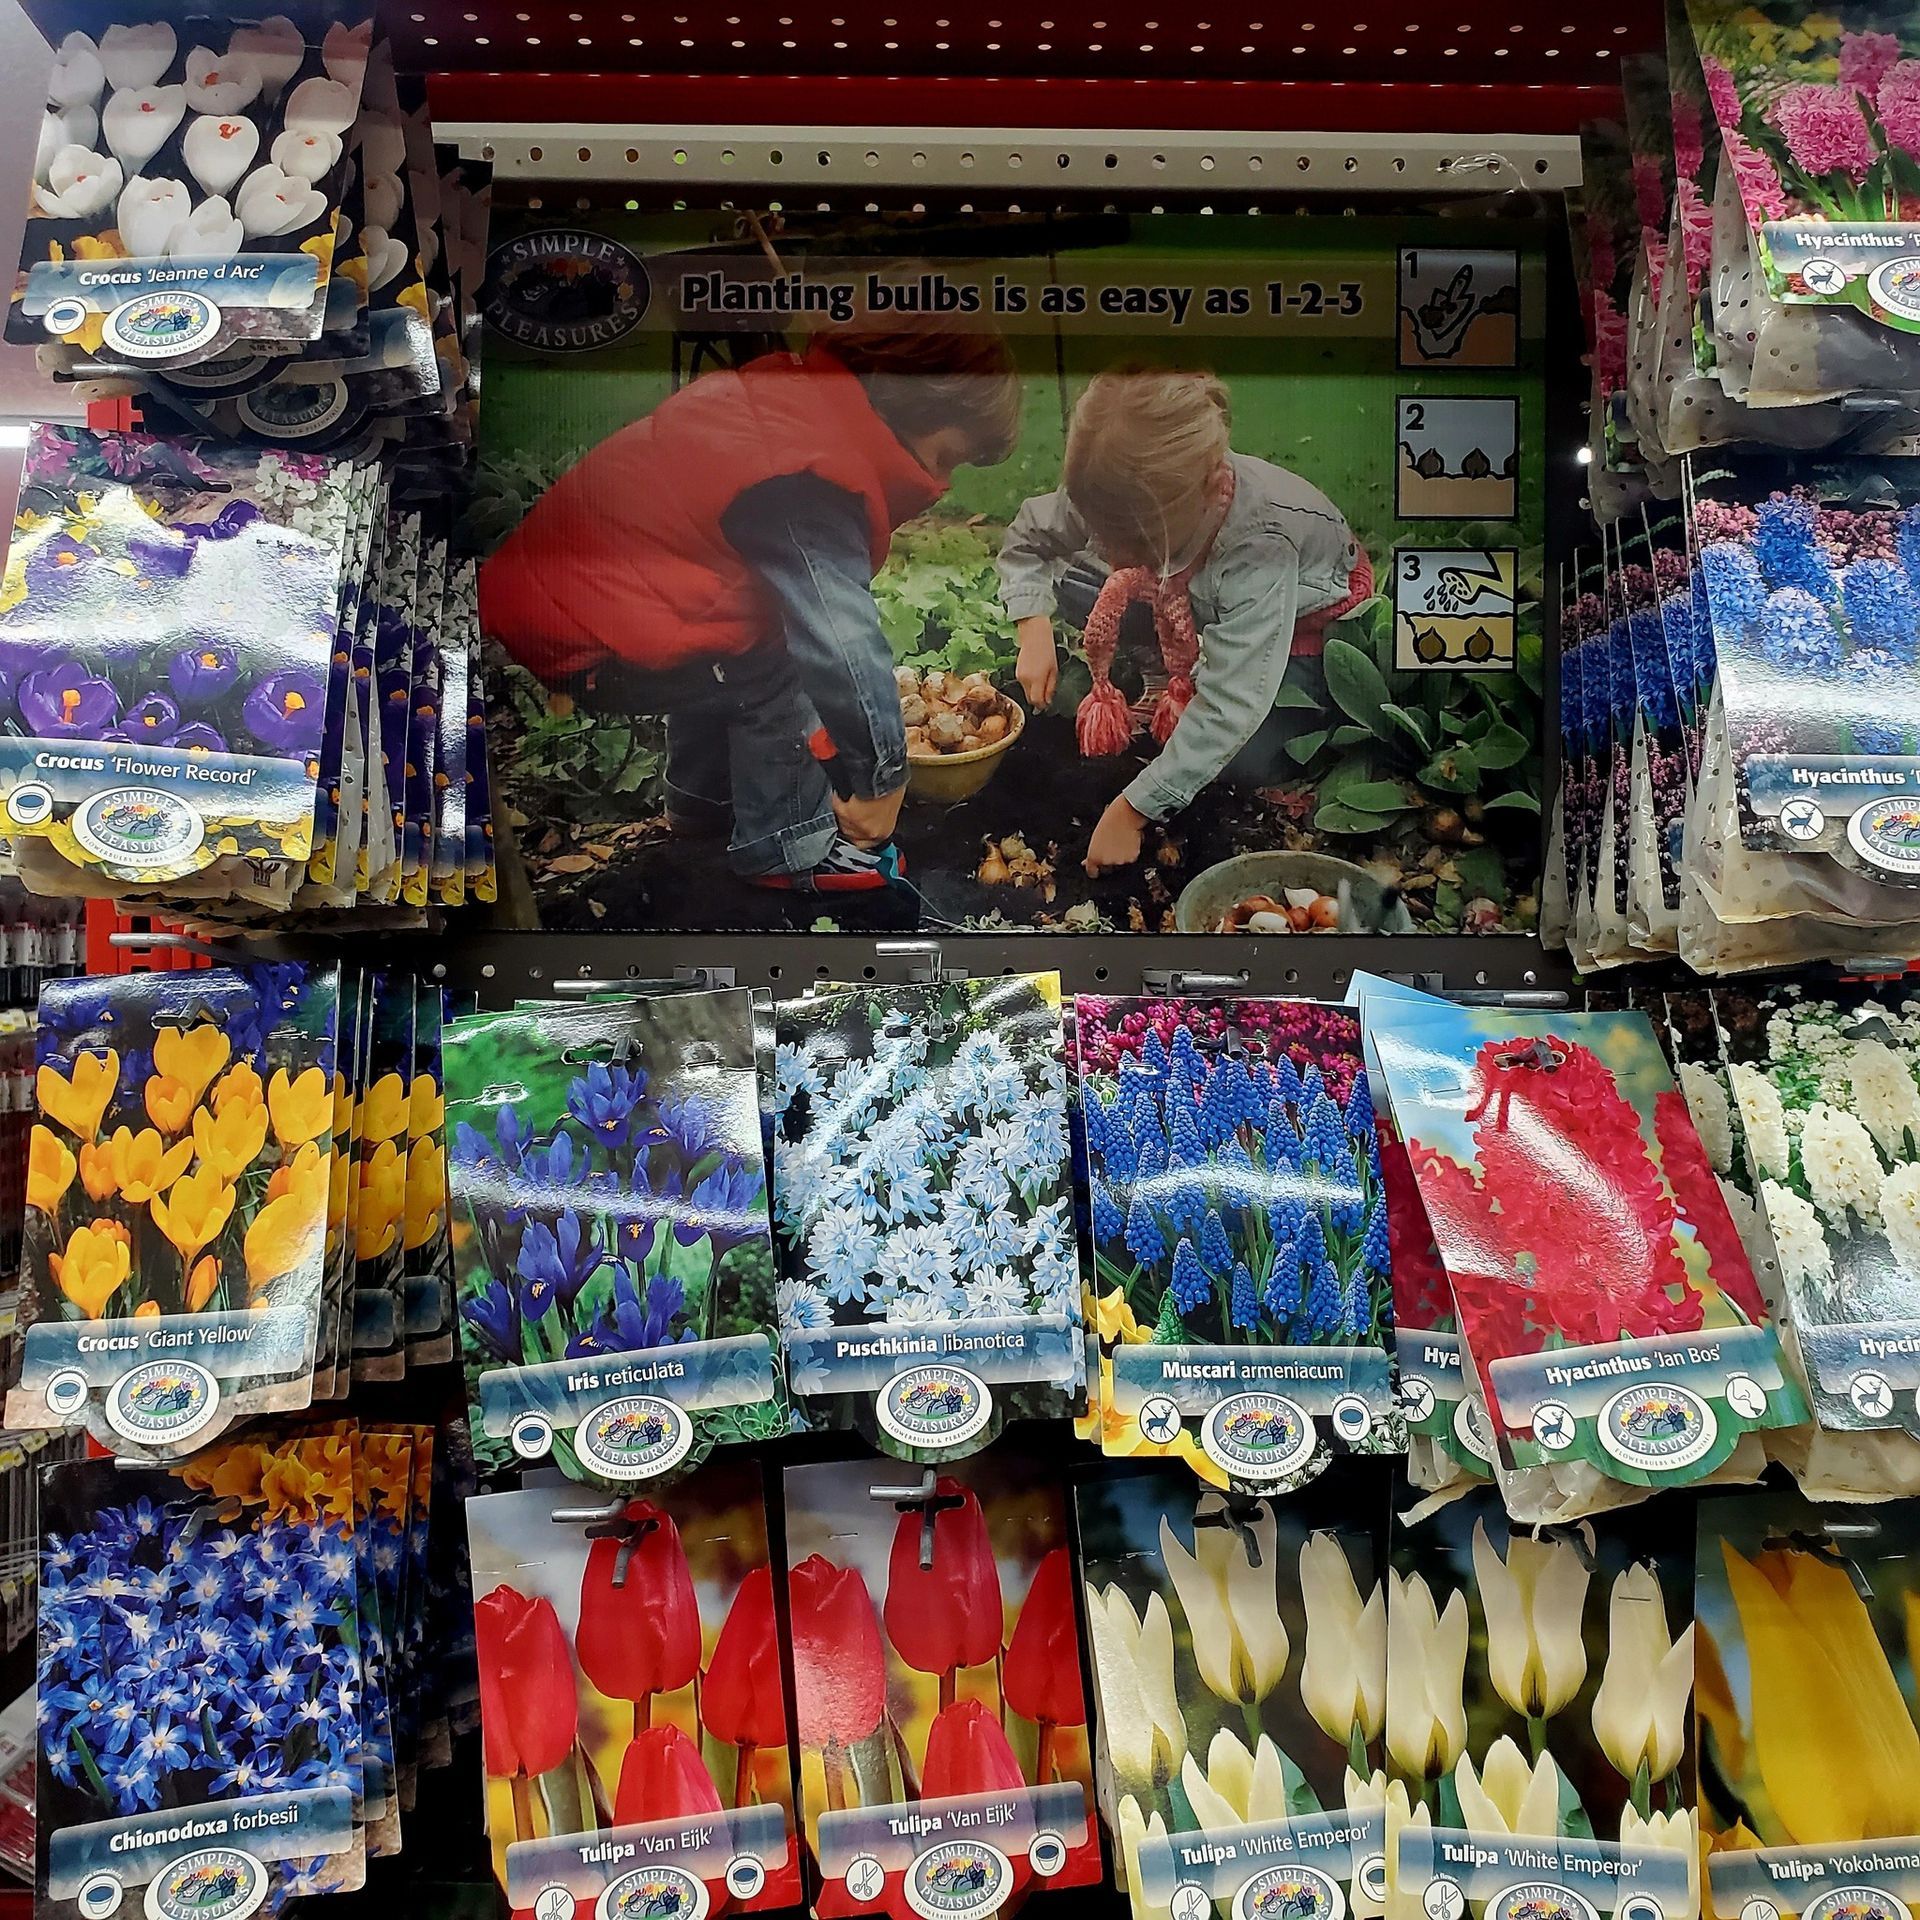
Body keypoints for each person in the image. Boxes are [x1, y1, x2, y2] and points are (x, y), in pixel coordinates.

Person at [480, 305, 1022, 891]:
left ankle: (701, 808)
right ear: (915, 405)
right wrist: (882, 780)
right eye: (945, 459)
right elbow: (841, 642)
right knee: (789, 657)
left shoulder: (785, 407)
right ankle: (785, 850)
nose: (941, 485)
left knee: (729, 638)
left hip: (581, 609)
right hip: (592, 636)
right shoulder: (810, 476)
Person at [998, 364, 1372, 875]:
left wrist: (1132, 811)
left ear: (1198, 494)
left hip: (1298, 627)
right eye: (1107, 533)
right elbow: (1030, 540)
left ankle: (1280, 699)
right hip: (1191, 590)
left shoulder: (1260, 545)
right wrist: (1033, 628)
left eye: (1132, 540)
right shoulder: (1113, 485)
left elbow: (1231, 703)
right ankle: (1170, 665)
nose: (1113, 551)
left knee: (1248, 758)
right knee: (1082, 583)